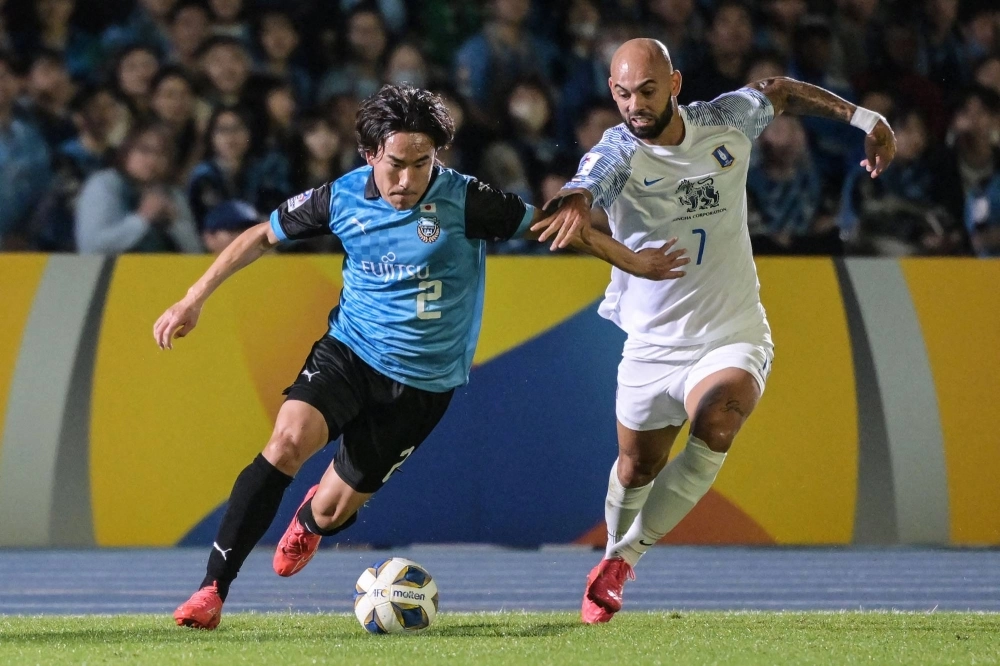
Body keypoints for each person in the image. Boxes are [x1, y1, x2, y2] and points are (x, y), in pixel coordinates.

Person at [156, 84, 689, 630]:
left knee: (334, 509)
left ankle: (312, 522)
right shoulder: (339, 197)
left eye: (422, 163)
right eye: (395, 165)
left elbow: (555, 224)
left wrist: (634, 263)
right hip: (350, 351)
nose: (408, 180)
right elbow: (260, 236)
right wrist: (193, 298)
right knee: (287, 441)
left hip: (423, 385)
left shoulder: (465, 200)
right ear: (370, 156)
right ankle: (210, 593)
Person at [532, 38, 897, 624]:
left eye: (647, 92)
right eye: (623, 94)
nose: (635, 106)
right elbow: (578, 197)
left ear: (674, 84)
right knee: (636, 468)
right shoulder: (617, 153)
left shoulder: (725, 119)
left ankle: (625, 560)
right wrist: (625, 253)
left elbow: (779, 91)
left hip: (732, 329)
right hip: (653, 343)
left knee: (719, 417)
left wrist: (865, 118)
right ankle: (609, 557)